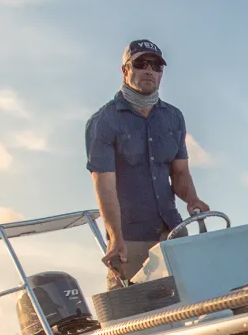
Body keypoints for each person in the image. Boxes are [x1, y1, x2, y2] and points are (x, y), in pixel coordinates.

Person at [84, 39, 209, 289]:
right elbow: (104, 186)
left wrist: (192, 199)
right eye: (140, 64)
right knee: (136, 315)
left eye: (156, 66)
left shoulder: (174, 117)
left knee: (195, 302)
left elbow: (180, 171)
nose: (149, 70)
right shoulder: (103, 121)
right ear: (125, 70)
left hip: (173, 232)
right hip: (129, 239)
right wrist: (115, 236)